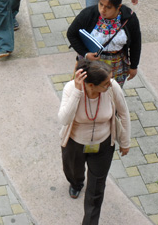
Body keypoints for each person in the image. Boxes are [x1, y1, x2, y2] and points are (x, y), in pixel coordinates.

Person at [58, 59, 131, 225]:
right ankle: (76, 183)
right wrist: (77, 93)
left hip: (103, 144)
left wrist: (125, 142)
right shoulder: (71, 89)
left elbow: (124, 114)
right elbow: (64, 119)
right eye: (105, 84)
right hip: (75, 143)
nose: (110, 85)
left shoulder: (112, 88)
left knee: (97, 188)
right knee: (73, 172)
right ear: (91, 85)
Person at [67, 0, 141, 86]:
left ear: (118, 7)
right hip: (90, 64)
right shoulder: (88, 14)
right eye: (101, 4)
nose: (102, 9)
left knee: (110, 95)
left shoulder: (130, 19)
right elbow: (71, 34)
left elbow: (136, 43)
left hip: (115, 65)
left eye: (108, 7)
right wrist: (85, 54)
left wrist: (133, 66)